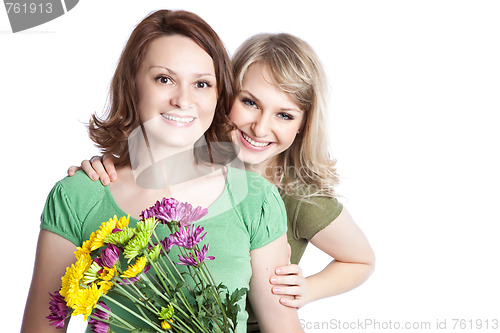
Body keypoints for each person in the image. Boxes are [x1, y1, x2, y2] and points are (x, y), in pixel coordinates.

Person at [70, 33, 376, 331]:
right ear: (224, 96)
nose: (260, 127)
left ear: (303, 126)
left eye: (284, 115)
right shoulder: (191, 161)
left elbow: (360, 260)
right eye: (250, 103)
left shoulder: (299, 199)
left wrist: (308, 289)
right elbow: (139, 174)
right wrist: (105, 169)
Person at [22, 10, 303, 333]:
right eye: (164, 79)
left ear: (217, 95)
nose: (183, 100)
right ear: (132, 84)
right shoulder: (79, 195)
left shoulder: (256, 200)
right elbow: (40, 328)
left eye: (201, 84)